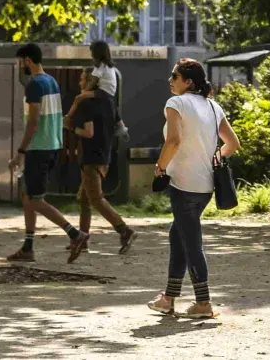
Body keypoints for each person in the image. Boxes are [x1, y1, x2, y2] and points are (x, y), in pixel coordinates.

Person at [147, 59, 240, 319]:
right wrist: (213, 159)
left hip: (183, 183)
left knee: (191, 242)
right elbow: (232, 143)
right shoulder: (213, 106)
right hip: (205, 185)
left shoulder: (176, 103)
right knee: (178, 235)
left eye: (175, 76)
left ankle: (203, 302)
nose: (170, 80)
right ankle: (168, 298)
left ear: (188, 82)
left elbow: (174, 140)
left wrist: (160, 167)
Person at [5, 44, 84, 263]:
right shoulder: (51, 81)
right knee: (27, 197)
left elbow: (34, 121)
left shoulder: (34, 85)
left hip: (38, 148)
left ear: (27, 60)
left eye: (20, 61)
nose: (19, 65)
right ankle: (28, 247)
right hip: (52, 145)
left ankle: (74, 234)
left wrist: (20, 151)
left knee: (35, 200)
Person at [69, 72, 135, 262]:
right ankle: (82, 238)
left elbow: (88, 132)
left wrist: (71, 127)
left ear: (91, 80)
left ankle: (124, 230)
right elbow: (121, 127)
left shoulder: (86, 103)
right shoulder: (109, 102)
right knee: (84, 199)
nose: (80, 82)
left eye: (82, 78)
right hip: (105, 154)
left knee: (96, 198)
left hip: (90, 156)